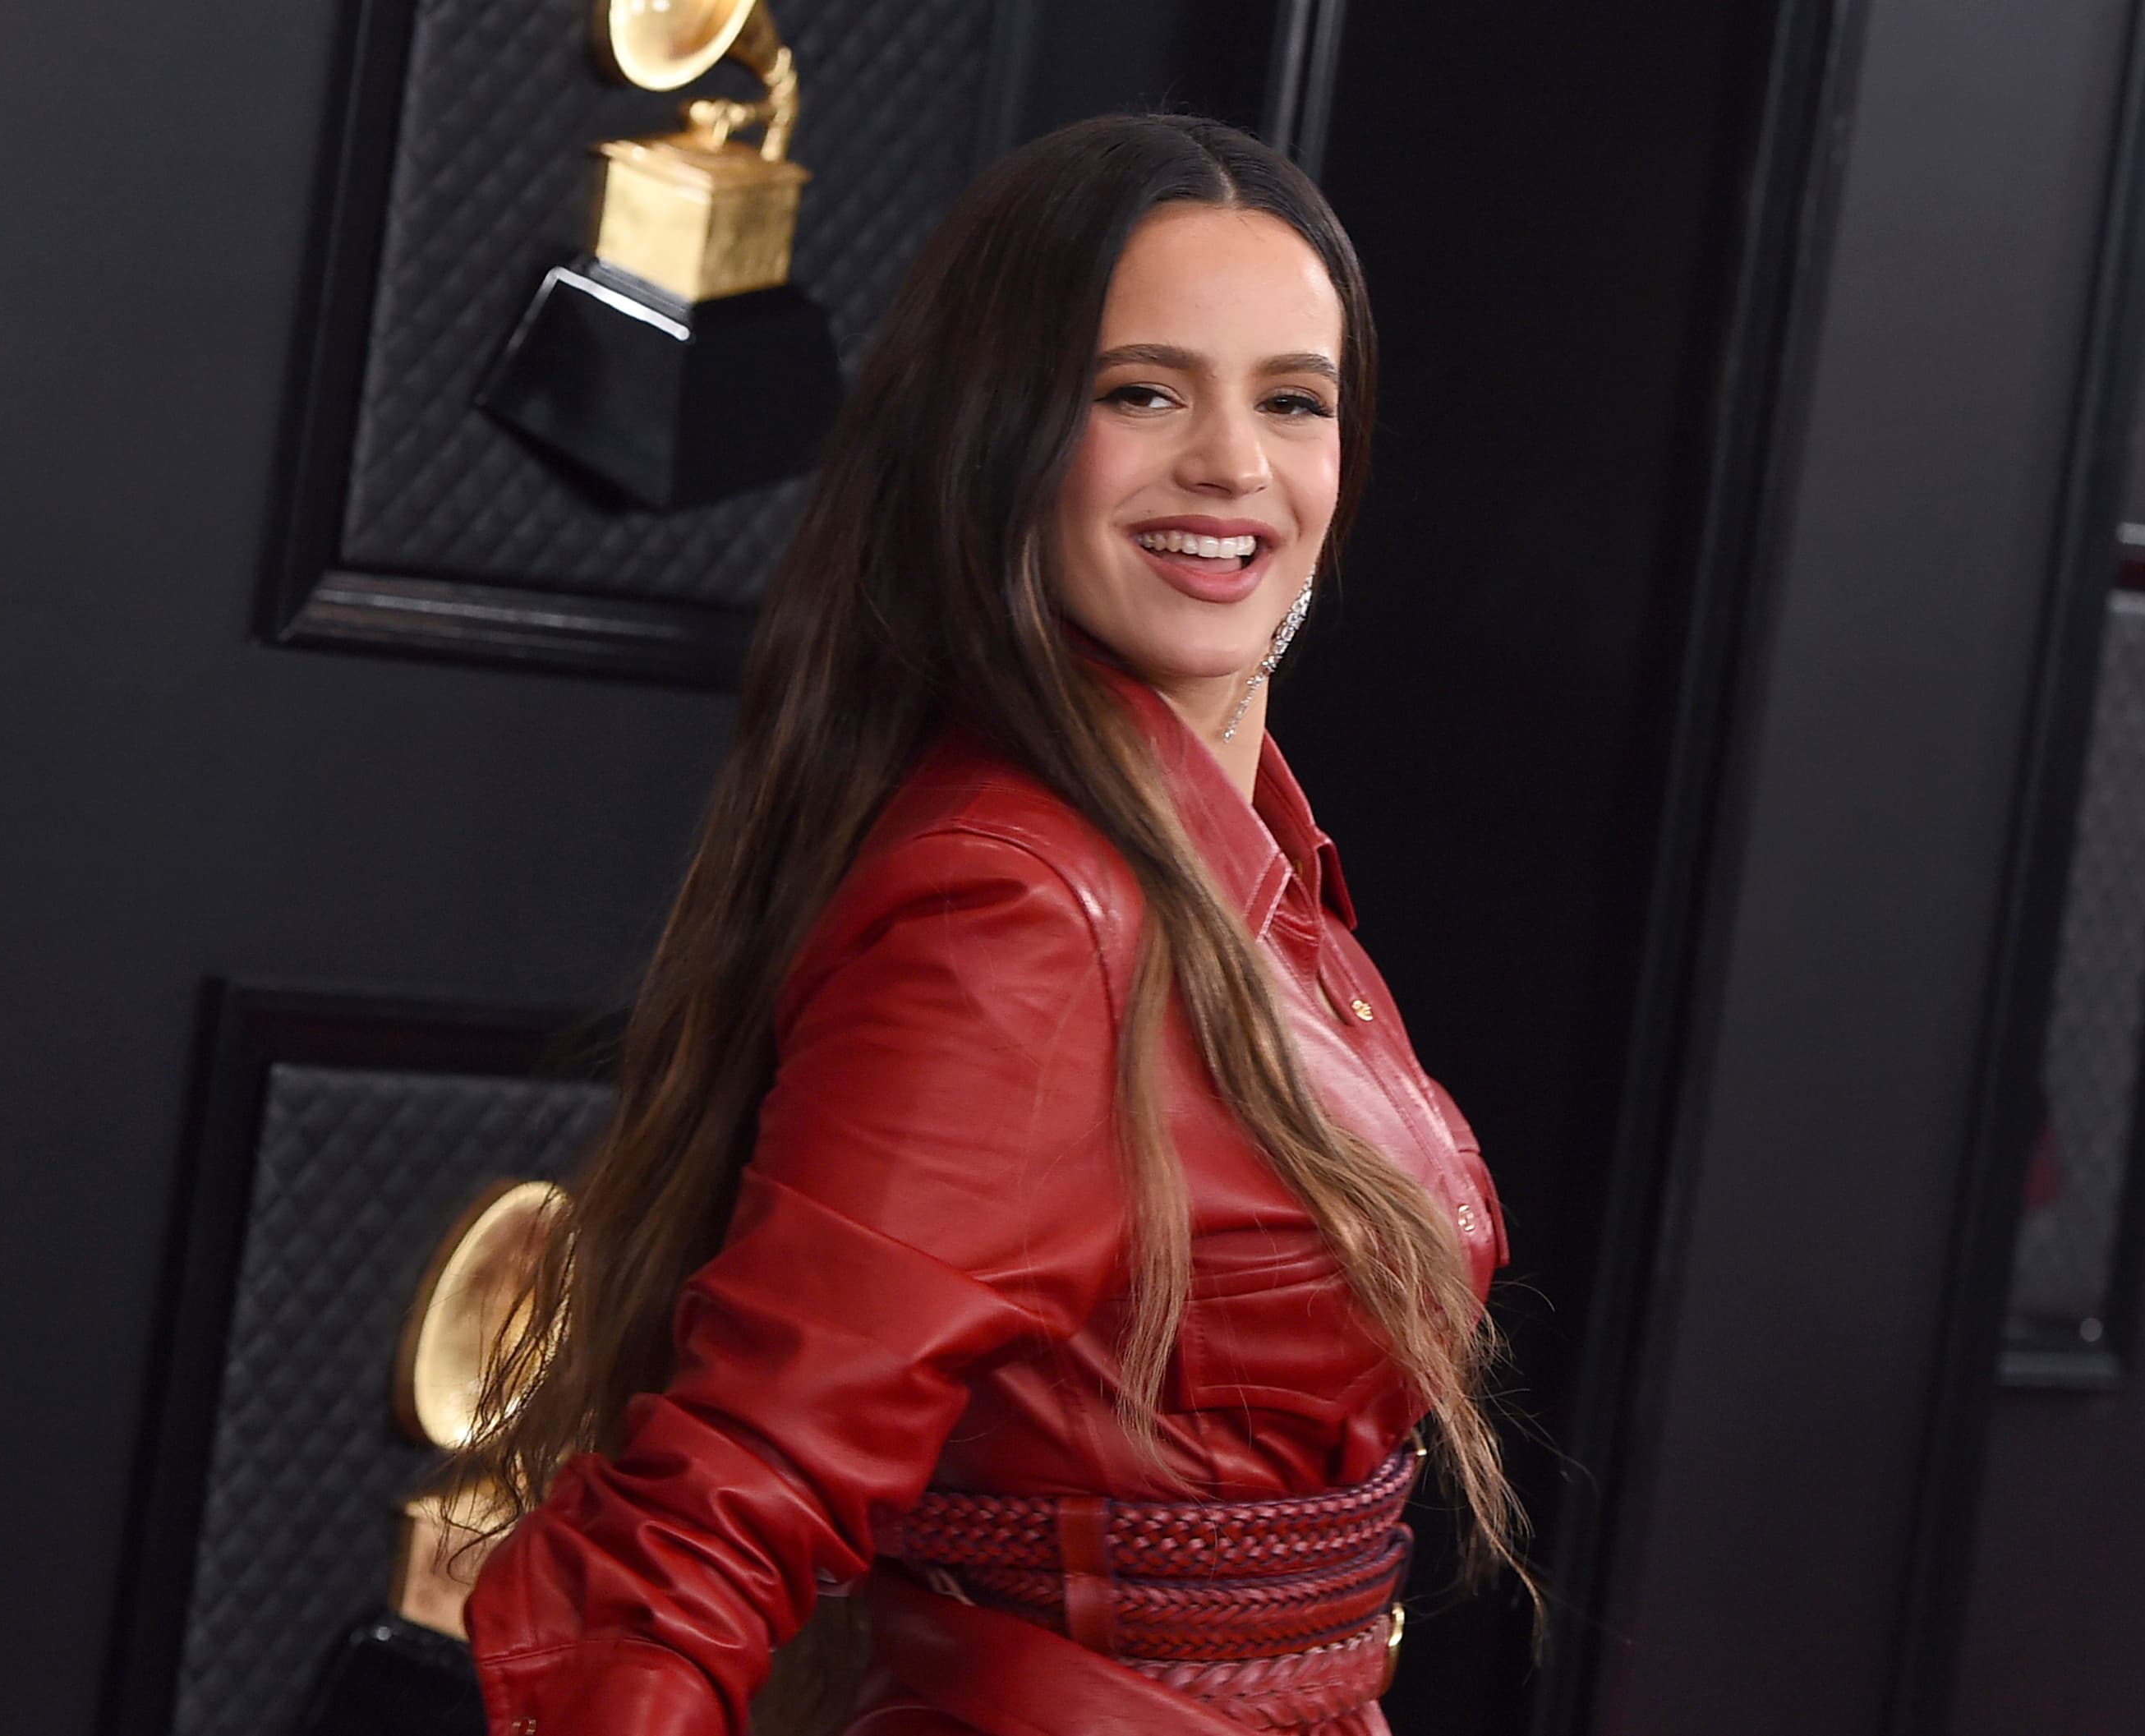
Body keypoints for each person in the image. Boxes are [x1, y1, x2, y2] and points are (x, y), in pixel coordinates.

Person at [454, 113, 1525, 1736]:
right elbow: (710, 1522)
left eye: (1293, 401)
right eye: (1142, 392)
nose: (1232, 463)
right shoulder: (1020, 912)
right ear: (999, 439)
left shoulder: (1258, 878)